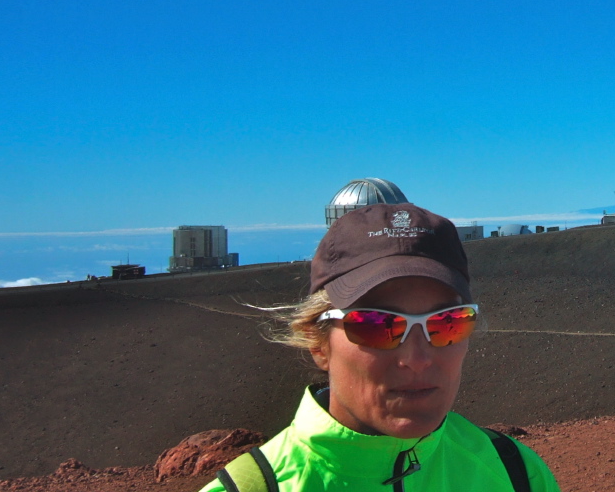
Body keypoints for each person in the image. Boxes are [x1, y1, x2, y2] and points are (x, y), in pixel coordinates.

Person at [204, 203, 558, 492]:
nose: (417, 359)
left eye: (447, 322)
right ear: (318, 343)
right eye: (376, 324)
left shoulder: (518, 475)